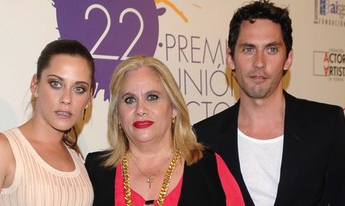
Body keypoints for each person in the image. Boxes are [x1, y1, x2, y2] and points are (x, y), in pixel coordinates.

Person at [193, 0, 345, 205]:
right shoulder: (204, 137)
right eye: (248, 49)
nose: (259, 62)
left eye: (271, 49)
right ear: (230, 58)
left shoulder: (326, 125)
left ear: (288, 59)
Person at [85, 55, 244, 206]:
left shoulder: (209, 167)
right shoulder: (94, 171)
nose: (140, 109)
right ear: (118, 115)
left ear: (174, 108)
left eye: (152, 97)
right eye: (129, 100)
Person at [0, 39, 95, 205]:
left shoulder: (76, 156)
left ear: (89, 98)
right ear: (35, 85)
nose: (66, 99)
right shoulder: (0, 148)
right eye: (56, 84)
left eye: (79, 89)